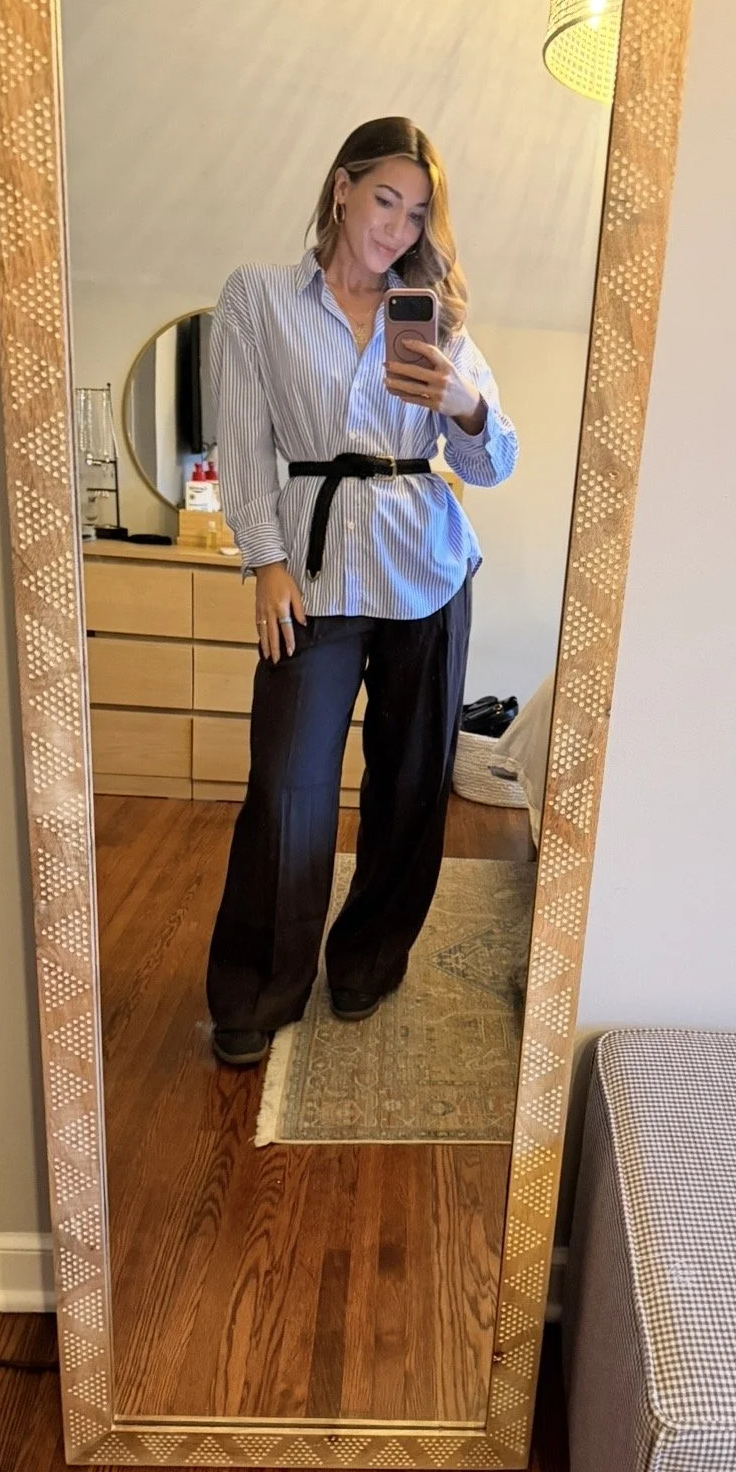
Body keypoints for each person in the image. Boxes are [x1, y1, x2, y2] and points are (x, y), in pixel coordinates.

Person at [207, 116, 518, 1068]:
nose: (395, 224)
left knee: (412, 781)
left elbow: (493, 459)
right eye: (383, 198)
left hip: (425, 564)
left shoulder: (433, 316)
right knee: (287, 784)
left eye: (415, 210)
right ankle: (256, 990)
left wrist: (460, 403)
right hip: (308, 566)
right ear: (341, 189)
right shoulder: (258, 297)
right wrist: (261, 558)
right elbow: (240, 436)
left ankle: (366, 964)